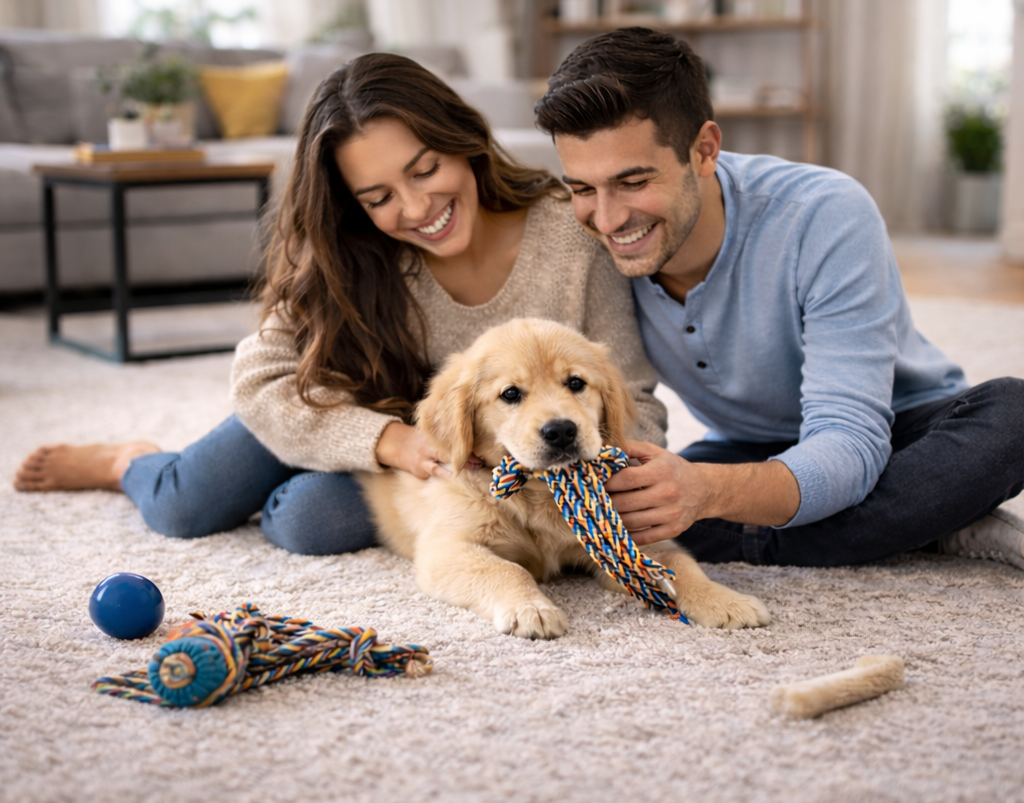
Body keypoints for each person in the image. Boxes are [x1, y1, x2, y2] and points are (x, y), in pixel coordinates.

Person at [13, 53, 666, 555]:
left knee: (309, 518)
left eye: (423, 169)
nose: (414, 209)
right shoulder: (346, 250)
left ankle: (301, 485)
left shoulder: (571, 236)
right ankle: (125, 459)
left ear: (462, 140)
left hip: (460, 459)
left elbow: (630, 391)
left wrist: (625, 481)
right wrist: (385, 439)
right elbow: (261, 381)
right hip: (334, 410)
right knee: (185, 507)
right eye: (378, 197)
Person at [534, 26, 1024, 570]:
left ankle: (846, 526)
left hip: (895, 430)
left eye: (632, 182)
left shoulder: (825, 212)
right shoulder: (581, 242)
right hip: (749, 447)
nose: (606, 219)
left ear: (704, 150)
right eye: (582, 188)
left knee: (1013, 416)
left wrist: (709, 494)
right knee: (621, 511)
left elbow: (847, 444)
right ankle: (922, 524)